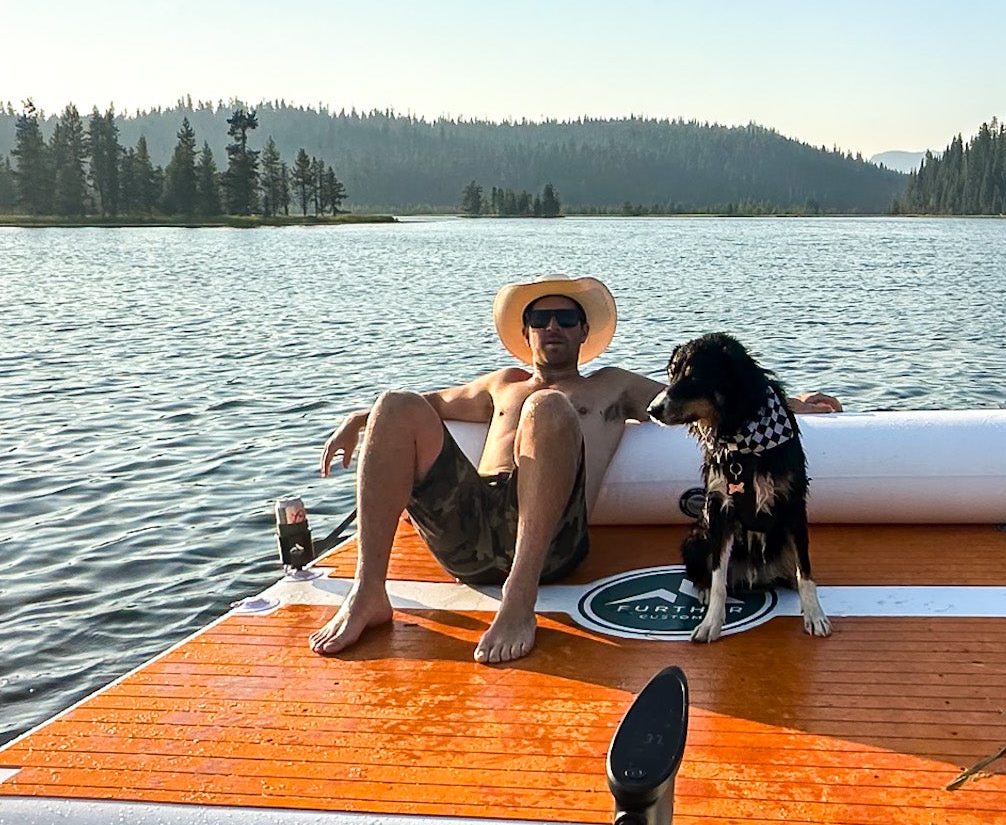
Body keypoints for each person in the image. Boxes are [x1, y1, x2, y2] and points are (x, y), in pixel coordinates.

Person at [310, 278, 842, 666]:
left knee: (549, 407)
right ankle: (368, 592)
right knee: (395, 400)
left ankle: (520, 602)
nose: (553, 328)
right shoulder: (499, 385)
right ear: (526, 332)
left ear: (585, 330)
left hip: (551, 543)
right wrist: (362, 418)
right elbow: (424, 405)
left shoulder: (611, 386)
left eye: (566, 318)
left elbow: (695, 398)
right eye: (541, 319)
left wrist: (789, 401)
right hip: (469, 532)